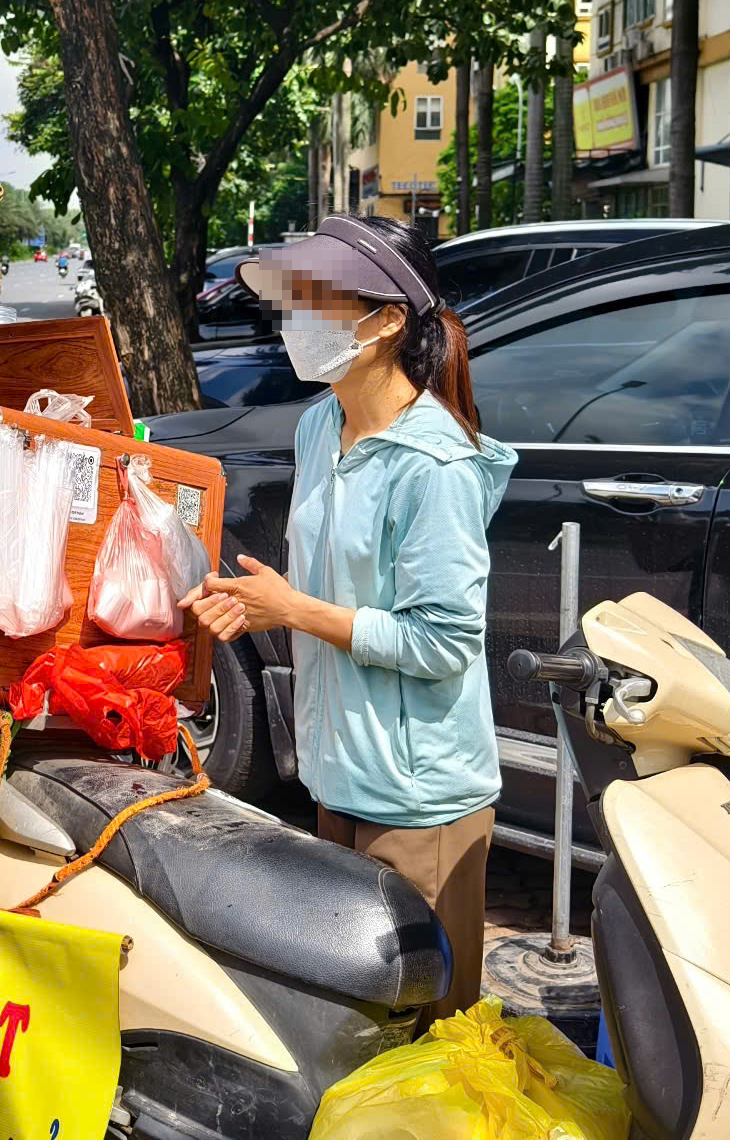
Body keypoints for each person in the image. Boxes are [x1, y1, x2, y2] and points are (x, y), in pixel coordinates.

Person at [180, 213, 516, 1025]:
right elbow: (337, 585)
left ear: (387, 320)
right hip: (337, 772)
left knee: (421, 1041)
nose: (294, 324)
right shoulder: (319, 423)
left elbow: (442, 642)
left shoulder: (435, 466)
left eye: (315, 305)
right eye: (291, 306)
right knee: (349, 1027)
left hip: (418, 798)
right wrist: (256, 600)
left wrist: (295, 608)